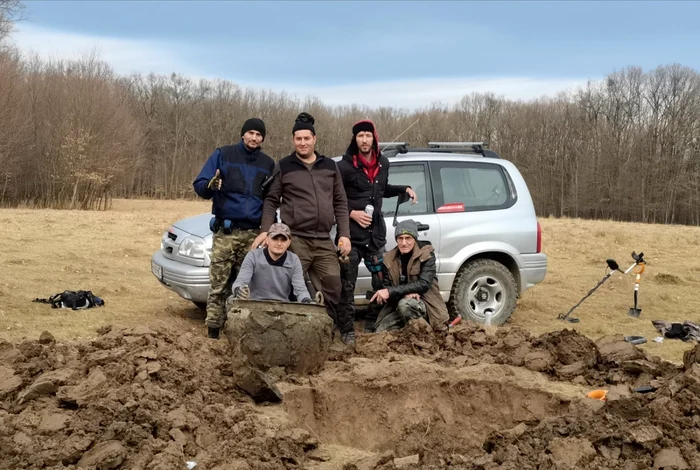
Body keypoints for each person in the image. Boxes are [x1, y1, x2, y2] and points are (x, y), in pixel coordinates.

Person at [251, 112, 355, 345]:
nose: (303, 143)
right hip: (296, 239)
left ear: (314, 139)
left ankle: (323, 333)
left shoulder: (329, 166)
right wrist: (266, 230)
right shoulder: (284, 167)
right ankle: (287, 336)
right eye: (298, 139)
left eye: (306, 138)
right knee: (289, 286)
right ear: (293, 141)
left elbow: (341, 202)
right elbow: (271, 200)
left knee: (332, 285)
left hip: (323, 239)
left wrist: (345, 235)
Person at [193, 117, 275, 340]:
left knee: (245, 286)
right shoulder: (223, 154)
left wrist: (267, 230)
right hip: (226, 233)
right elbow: (200, 185)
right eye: (251, 133)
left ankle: (238, 330)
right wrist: (211, 186)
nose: (254, 138)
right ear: (243, 134)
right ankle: (213, 330)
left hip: (252, 235)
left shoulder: (268, 164)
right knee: (218, 284)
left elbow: (272, 200)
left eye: (259, 135)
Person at [336, 119, 417, 333]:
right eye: (360, 136)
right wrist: (352, 213)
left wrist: (404, 188)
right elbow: (334, 198)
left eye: (368, 135)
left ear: (374, 138)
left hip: (375, 236)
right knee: (347, 285)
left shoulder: (384, 164)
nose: (364, 140)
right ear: (355, 139)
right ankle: (347, 330)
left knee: (381, 281)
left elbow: (381, 189)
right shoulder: (343, 166)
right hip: (351, 236)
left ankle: (372, 323)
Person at [370, 219, 449, 332]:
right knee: (380, 331)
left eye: (408, 238)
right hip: (400, 302)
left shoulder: (426, 254)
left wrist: (393, 292)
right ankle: (407, 329)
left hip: (425, 304)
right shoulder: (389, 259)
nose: (404, 243)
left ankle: (425, 333)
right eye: (400, 238)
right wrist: (404, 294)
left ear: (414, 239)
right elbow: (386, 288)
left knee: (405, 305)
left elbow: (424, 284)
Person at [227, 223, 313, 304]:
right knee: (231, 300)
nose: (279, 243)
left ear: (289, 242)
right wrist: (239, 290)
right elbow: (240, 281)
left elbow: (300, 289)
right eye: (275, 238)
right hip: (253, 304)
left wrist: (306, 300)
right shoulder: (253, 256)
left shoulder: (294, 260)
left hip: (283, 306)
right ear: (267, 240)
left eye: (283, 240)